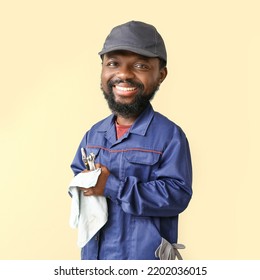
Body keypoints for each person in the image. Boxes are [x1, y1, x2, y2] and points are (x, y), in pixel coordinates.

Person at [70, 20, 192, 260]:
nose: (124, 74)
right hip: (96, 259)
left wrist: (112, 186)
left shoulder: (170, 136)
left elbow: (177, 196)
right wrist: (83, 185)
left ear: (161, 75)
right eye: (113, 63)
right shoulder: (93, 136)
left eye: (140, 65)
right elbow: (78, 181)